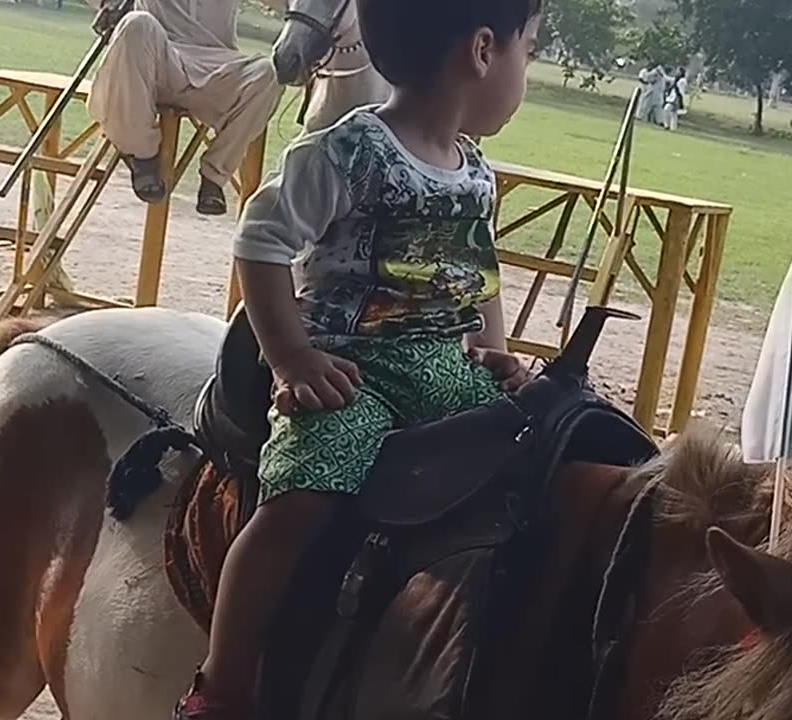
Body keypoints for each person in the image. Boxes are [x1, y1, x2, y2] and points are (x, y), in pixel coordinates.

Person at [171, 0, 542, 718]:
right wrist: (294, 358)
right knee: (304, 495)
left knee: (532, 458)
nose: (530, 68)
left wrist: (496, 356)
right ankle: (223, 685)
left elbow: (480, 276)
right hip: (354, 370)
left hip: (442, 368)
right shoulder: (346, 151)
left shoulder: (474, 170)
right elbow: (262, 242)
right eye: (531, 48)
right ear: (484, 50)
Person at [87, 0, 282, 216]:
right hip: (160, 58)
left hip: (218, 67)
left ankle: (215, 175)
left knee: (270, 72)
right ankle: (143, 155)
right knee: (136, 23)